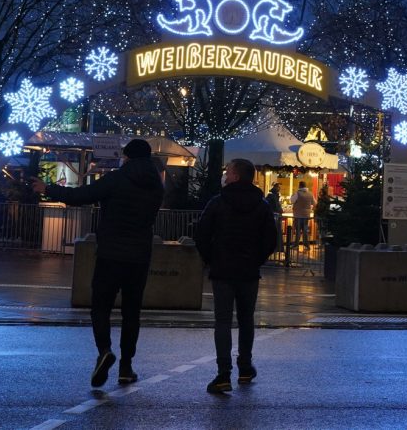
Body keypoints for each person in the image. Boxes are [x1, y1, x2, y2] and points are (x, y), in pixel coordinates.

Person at [32, 138, 164, 388]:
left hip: (111, 253)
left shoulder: (117, 179)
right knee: (131, 312)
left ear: (127, 157)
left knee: (101, 306)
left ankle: (104, 350)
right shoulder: (155, 185)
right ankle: (126, 367)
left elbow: (82, 195)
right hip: (139, 256)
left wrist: (48, 189)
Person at [195, 158, 277, 394]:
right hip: (249, 271)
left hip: (223, 270)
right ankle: (244, 366)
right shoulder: (261, 206)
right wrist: (256, 259)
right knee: (246, 320)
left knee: (222, 321)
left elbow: (202, 234)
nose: (225, 175)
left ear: (236, 176)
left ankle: (223, 373)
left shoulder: (218, 202)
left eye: (228, 172)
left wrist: (211, 259)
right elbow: (270, 239)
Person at [289, 181, 315, 247]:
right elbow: (314, 203)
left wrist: (292, 196)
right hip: (306, 215)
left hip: (298, 214)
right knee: (305, 230)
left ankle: (296, 244)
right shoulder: (310, 194)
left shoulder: (297, 193)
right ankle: (306, 244)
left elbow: (291, 201)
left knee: (298, 230)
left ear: (300, 186)